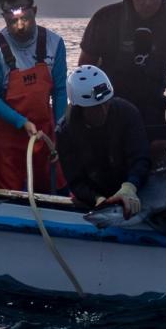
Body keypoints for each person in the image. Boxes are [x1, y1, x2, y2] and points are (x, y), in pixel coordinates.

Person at [78, 0, 166, 163]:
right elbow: (85, 69)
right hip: (110, 100)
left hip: (153, 100)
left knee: (165, 145)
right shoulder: (106, 17)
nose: (148, 3)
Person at [0, 0, 67, 191]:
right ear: (3, 17)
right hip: (8, 134)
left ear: (34, 11)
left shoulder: (54, 43)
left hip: (44, 131)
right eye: (12, 21)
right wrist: (21, 122)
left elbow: (60, 90)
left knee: (52, 183)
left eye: (24, 19)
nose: (19, 26)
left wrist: (61, 127)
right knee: (8, 189)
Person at [55, 65, 149, 218]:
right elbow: (75, 180)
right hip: (94, 195)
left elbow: (140, 157)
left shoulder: (127, 112)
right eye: (95, 107)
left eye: (106, 103)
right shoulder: (64, 132)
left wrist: (131, 185)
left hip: (133, 189)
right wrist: (97, 199)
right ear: (79, 109)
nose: (103, 111)